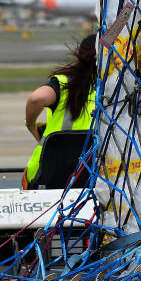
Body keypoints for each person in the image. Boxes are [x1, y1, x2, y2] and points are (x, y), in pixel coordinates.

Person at [23, 35, 96, 188]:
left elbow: (36, 98)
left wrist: (31, 125)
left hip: (48, 177)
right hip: (95, 180)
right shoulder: (114, 86)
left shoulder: (64, 82)